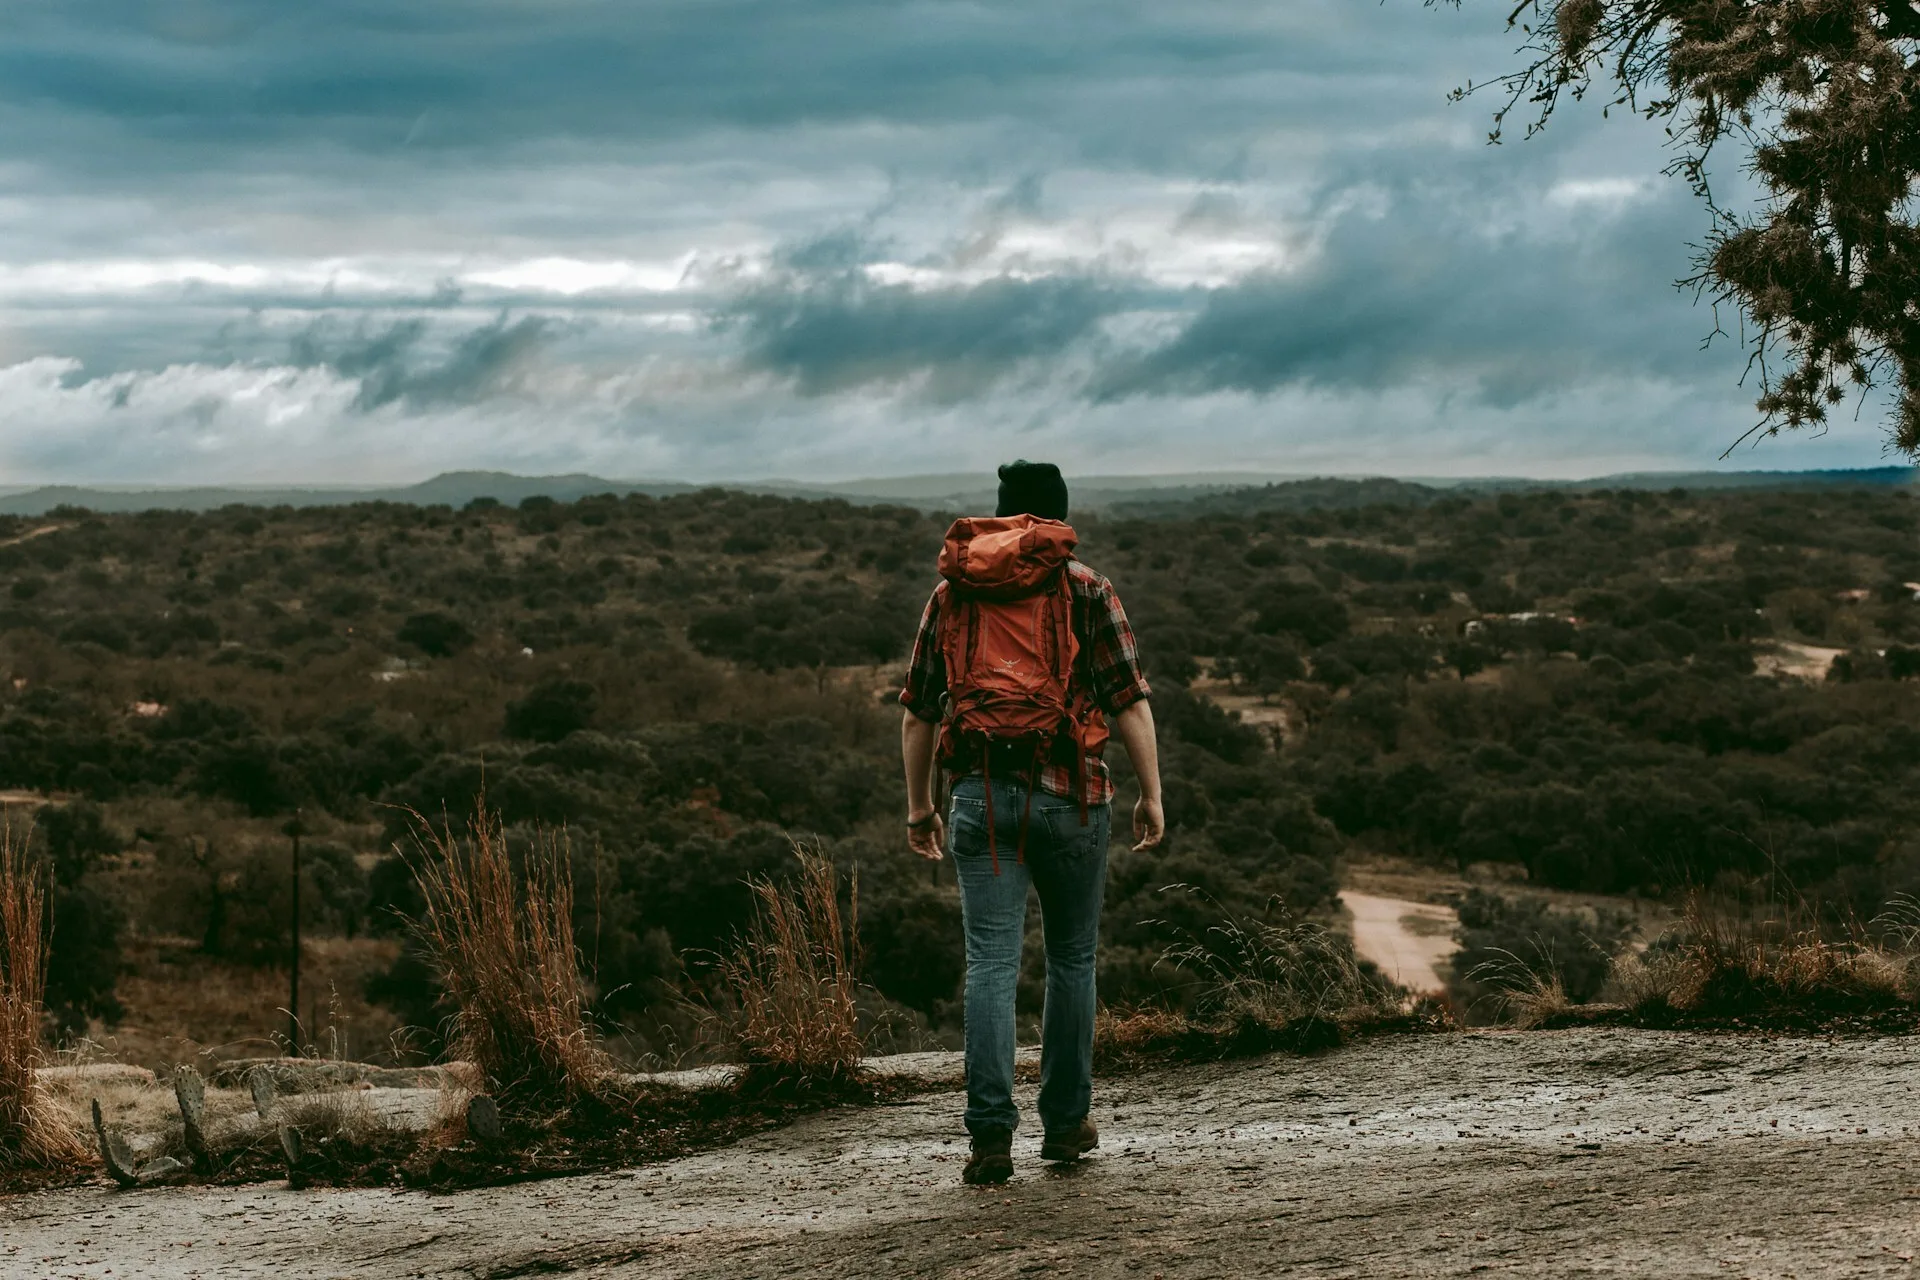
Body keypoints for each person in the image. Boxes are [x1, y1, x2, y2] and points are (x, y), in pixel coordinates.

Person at [899, 459, 1164, 1186]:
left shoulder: (953, 592)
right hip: (1073, 795)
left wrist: (920, 805)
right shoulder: (1085, 587)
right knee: (1073, 960)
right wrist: (1152, 793)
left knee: (989, 963)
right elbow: (1129, 698)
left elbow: (919, 708)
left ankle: (989, 1138)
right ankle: (1067, 1125)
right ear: (1058, 515)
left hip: (980, 796)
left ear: (1002, 513)